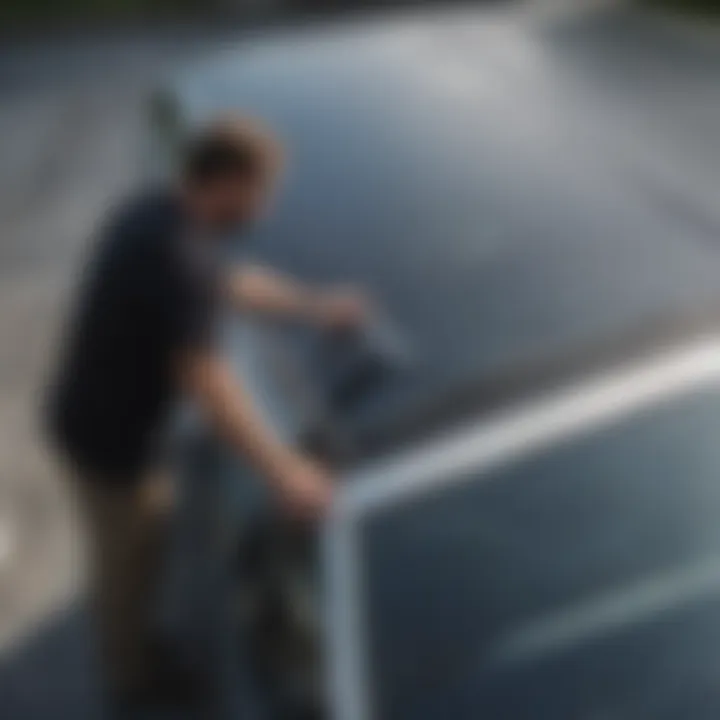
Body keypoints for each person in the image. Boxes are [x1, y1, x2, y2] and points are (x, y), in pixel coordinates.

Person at [45, 115, 366, 712]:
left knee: (146, 541)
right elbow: (208, 383)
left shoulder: (163, 213)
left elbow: (234, 284)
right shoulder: (176, 254)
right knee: (125, 564)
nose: (264, 209)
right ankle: (131, 681)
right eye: (261, 191)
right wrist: (285, 471)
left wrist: (316, 307)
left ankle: (138, 645)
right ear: (228, 182)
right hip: (107, 446)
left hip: (105, 423)